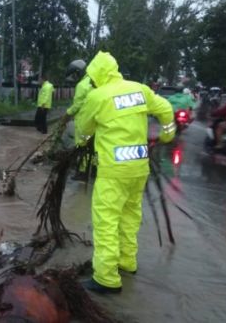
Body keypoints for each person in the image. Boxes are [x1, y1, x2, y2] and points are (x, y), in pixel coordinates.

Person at [75, 51, 175, 294]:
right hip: (139, 169)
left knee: (106, 221)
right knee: (130, 217)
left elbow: (83, 128)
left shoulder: (97, 96)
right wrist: (166, 134)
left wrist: (81, 142)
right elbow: (166, 108)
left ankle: (106, 279)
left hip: (112, 170)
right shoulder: (140, 89)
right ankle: (127, 262)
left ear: (97, 74)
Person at [61, 59, 93, 180]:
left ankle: (82, 172)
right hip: (95, 123)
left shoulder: (82, 85)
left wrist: (66, 115)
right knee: (94, 148)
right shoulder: (93, 81)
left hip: (85, 125)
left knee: (82, 147)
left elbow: (76, 106)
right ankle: (94, 171)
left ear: (77, 73)